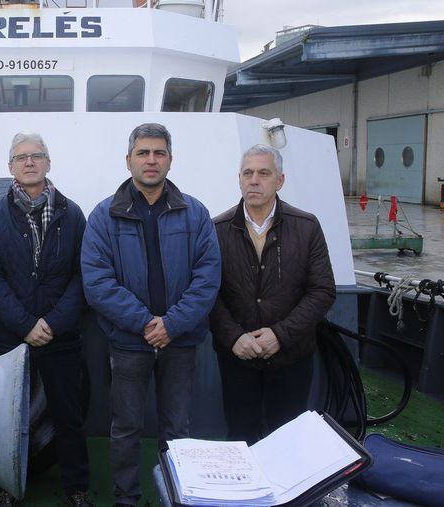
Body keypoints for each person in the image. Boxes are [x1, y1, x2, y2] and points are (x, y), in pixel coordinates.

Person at [80, 123, 221, 507]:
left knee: (177, 428)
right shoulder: (103, 216)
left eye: (159, 153)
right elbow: (97, 282)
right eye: (143, 153)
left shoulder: (195, 213)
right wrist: (145, 323)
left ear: (170, 160)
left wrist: (172, 324)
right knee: (125, 427)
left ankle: (179, 495)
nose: (151, 160)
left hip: (180, 341)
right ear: (128, 160)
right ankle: (127, 498)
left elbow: (207, 277)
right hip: (129, 343)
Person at [0, 132, 92, 507]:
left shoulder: (72, 213)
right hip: (10, 337)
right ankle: (6, 487)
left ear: (48, 163)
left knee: (68, 418)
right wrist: (25, 323)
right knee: (8, 418)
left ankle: (77, 490)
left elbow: (81, 274)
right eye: (21, 157)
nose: (29, 162)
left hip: (61, 338)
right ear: (10, 166)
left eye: (37, 155)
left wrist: (54, 323)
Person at [210, 144, 335, 444]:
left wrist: (280, 335)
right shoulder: (217, 230)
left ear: (279, 180)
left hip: (291, 358)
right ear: (239, 179)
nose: (254, 180)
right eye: (247, 173)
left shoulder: (306, 227)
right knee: (241, 437)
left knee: (288, 439)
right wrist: (233, 338)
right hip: (237, 359)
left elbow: (322, 290)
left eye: (263, 173)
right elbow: (208, 294)